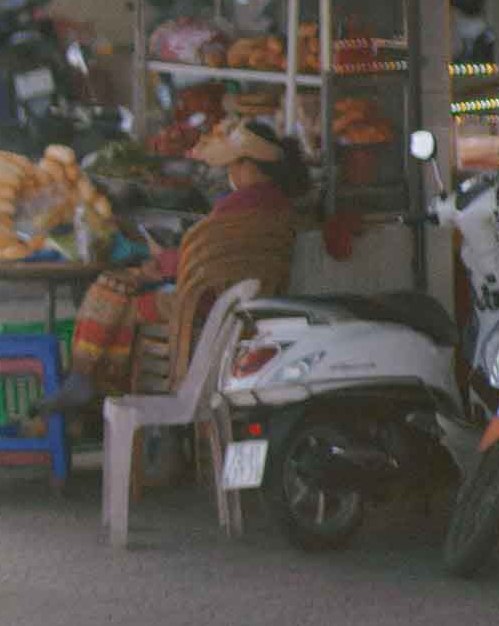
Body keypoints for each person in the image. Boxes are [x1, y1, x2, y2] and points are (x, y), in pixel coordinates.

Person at [43, 119, 308, 409]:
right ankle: (94, 386)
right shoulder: (282, 206)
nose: (229, 171)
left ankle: (89, 379)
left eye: (234, 164)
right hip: (249, 301)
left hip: (207, 302)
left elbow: (202, 254)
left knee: (114, 290)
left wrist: (160, 261)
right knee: (121, 289)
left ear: (249, 165)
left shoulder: (233, 207)